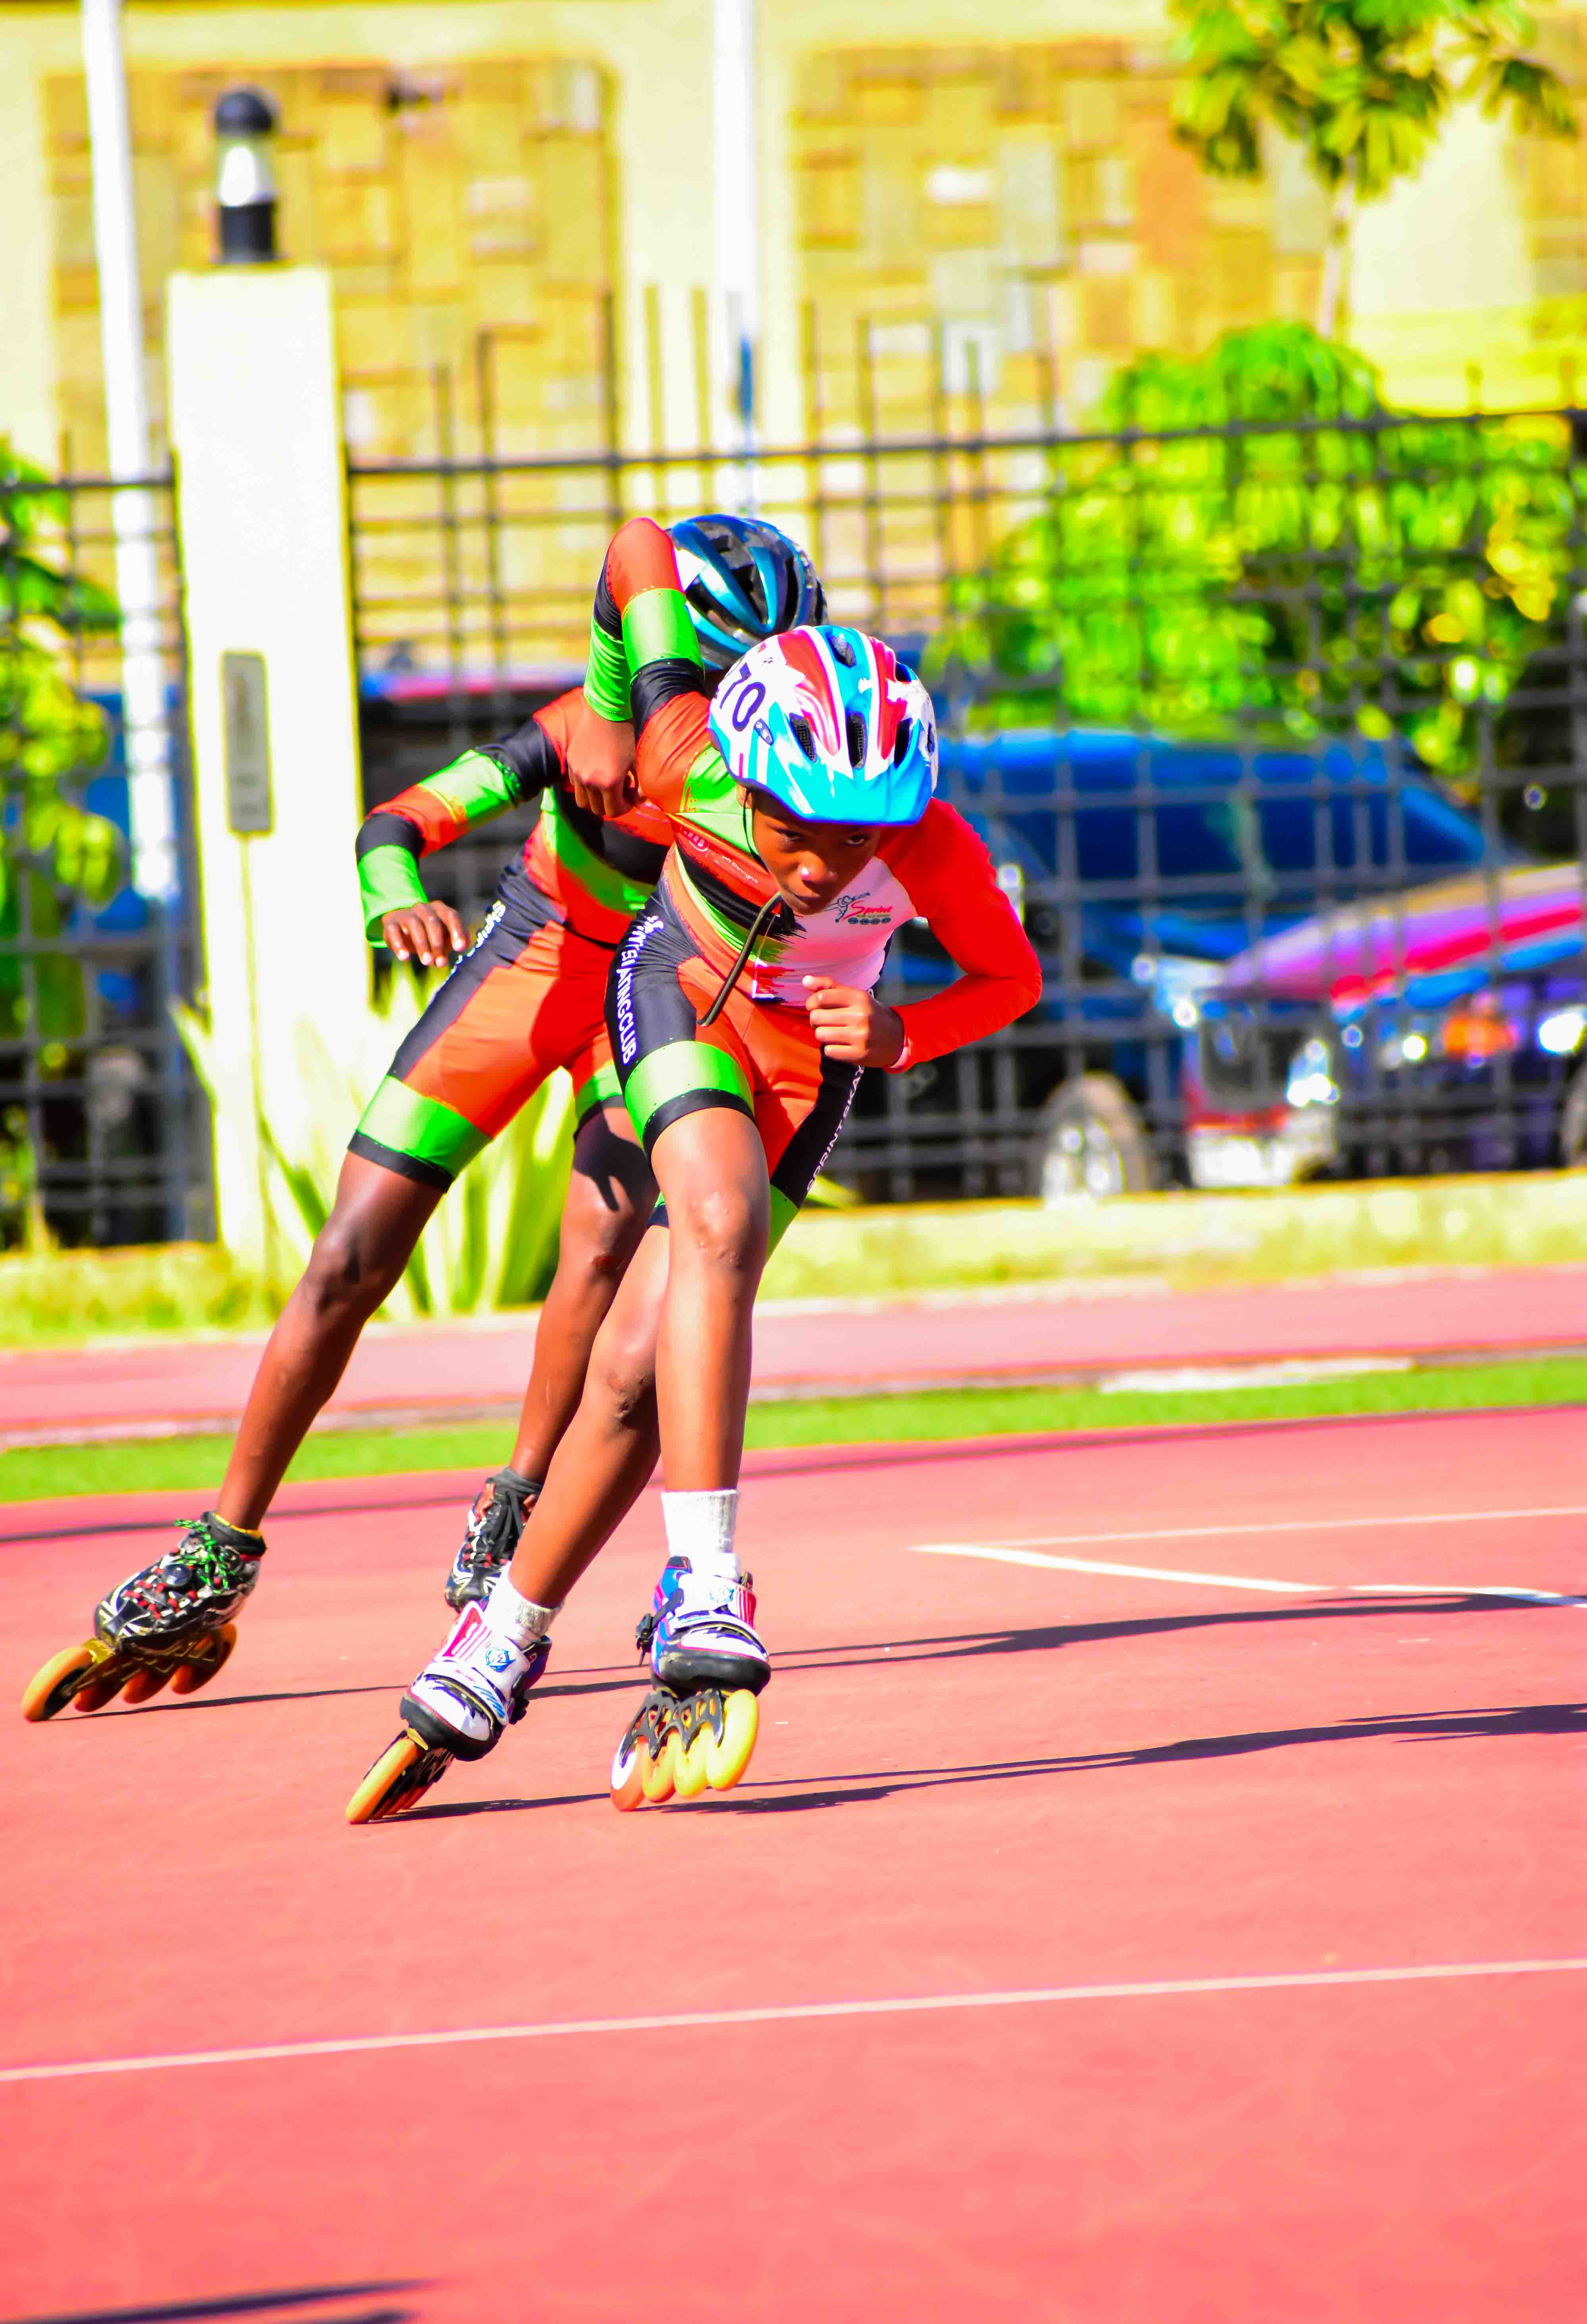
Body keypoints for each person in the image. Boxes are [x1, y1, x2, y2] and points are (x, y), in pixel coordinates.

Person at [21, 518, 826, 1727]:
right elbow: (395, 825)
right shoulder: (587, 729)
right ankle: (222, 1543)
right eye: (714, 681)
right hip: (534, 961)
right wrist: (396, 898)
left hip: (656, 992)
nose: (728, 717)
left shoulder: (781, 772)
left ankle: (519, 1500)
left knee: (607, 1261)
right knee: (351, 1255)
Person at [347, 517, 1041, 1821]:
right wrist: (609, 704)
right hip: (675, 991)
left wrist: (906, 1033)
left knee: (633, 1370)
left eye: (863, 835)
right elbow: (631, 544)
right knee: (714, 1218)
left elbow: (1015, 978)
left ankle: (496, 1639)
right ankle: (706, 1580)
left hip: (808, 1056)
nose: (829, 859)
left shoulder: (932, 846)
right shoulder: (683, 749)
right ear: (742, 773)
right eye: (798, 823)